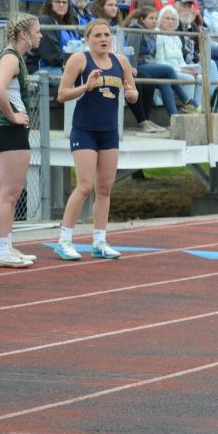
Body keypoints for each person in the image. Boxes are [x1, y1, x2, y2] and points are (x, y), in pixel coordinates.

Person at [53, 21, 139, 262]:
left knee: (104, 188)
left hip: (109, 131)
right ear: (87, 39)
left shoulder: (121, 61)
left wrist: (132, 93)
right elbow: (61, 94)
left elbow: (132, 92)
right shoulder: (79, 60)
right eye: (98, 35)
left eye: (107, 35)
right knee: (84, 185)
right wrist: (86, 86)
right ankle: (64, 240)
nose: (103, 39)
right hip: (84, 130)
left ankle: (100, 241)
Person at [0, 13, 40, 268]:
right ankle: (0, 251)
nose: (39, 36)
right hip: (10, 131)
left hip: (7, 131)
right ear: (24, 35)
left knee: (10, 193)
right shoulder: (10, 57)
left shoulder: (9, 56)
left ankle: (5, 245)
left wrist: (1, 111)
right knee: (8, 194)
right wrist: (11, 115)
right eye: (37, 32)